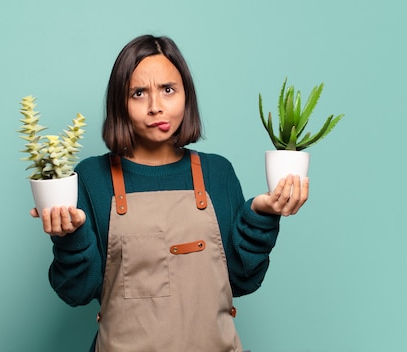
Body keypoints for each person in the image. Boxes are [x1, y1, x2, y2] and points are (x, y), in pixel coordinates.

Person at [31, 34, 309, 352]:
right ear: (120, 104)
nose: (156, 108)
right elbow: (77, 291)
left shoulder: (218, 173)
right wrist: (70, 236)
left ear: (186, 96)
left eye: (168, 90)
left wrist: (262, 214)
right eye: (138, 93)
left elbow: (242, 279)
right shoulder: (93, 178)